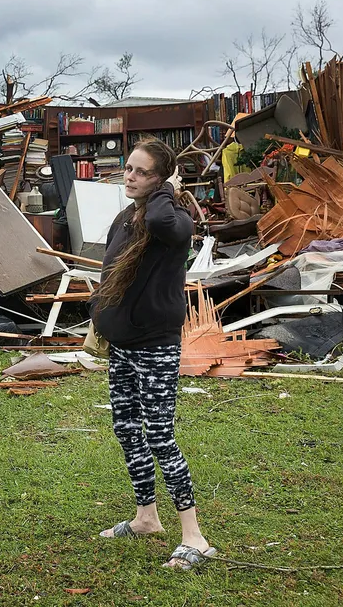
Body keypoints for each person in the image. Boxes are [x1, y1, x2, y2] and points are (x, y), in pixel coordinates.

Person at [89, 138, 217, 570]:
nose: (129, 176)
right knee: (126, 428)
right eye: (128, 169)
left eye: (141, 172)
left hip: (156, 346)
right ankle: (146, 517)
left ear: (160, 178)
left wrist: (166, 190)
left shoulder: (174, 218)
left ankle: (194, 537)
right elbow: (110, 268)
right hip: (123, 344)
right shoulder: (128, 216)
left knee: (161, 436)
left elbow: (164, 219)